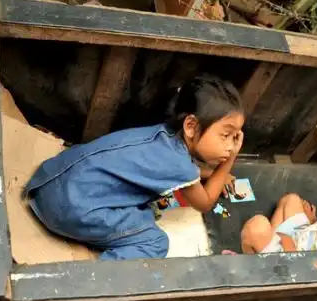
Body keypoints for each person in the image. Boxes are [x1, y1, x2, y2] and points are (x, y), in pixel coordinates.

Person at [26, 75, 245, 261]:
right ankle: (94, 276)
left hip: (48, 181)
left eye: (235, 137)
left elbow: (175, 169)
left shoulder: (161, 135)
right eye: (226, 135)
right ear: (190, 126)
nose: (230, 145)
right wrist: (229, 161)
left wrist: (211, 173)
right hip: (67, 211)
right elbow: (205, 203)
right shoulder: (180, 165)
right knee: (155, 242)